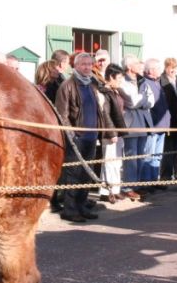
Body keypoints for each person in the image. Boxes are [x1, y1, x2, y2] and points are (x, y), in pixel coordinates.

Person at [54, 52, 113, 222]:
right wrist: (71, 135)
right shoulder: (68, 86)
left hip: (91, 136)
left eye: (89, 64)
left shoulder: (92, 83)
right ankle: (70, 209)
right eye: (83, 64)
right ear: (76, 66)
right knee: (74, 174)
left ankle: (81, 205)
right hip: (77, 138)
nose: (87, 67)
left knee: (86, 174)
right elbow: (62, 114)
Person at [118, 55, 152, 199]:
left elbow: (152, 100)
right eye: (138, 63)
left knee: (141, 156)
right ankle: (128, 187)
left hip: (143, 122)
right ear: (130, 66)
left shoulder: (143, 80)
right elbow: (131, 101)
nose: (141, 65)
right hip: (131, 123)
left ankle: (136, 184)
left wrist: (142, 99)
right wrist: (143, 99)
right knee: (131, 158)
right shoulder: (122, 81)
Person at [100, 63, 127, 203]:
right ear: (111, 77)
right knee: (109, 162)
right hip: (111, 133)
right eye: (119, 78)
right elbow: (106, 114)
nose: (121, 81)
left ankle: (115, 189)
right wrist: (112, 133)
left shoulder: (114, 91)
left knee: (117, 162)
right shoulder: (104, 92)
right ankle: (106, 191)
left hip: (118, 131)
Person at [159, 58, 177, 190]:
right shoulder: (161, 81)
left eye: (175, 67)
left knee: (175, 147)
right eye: (171, 67)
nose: (173, 70)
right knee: (167, 148)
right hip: (167, 119)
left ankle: (174, 174)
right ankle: (165, 175)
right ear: (165, 68)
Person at [143, 58, 168, 189]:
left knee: (157, 156)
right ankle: (147, 183)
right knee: (149, 156)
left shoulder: (158, 83)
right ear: (151, 70)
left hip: (162, 127)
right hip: (152, 127)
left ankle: (154, 180)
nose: (161, 71)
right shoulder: (145, 83)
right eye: (158, 68)